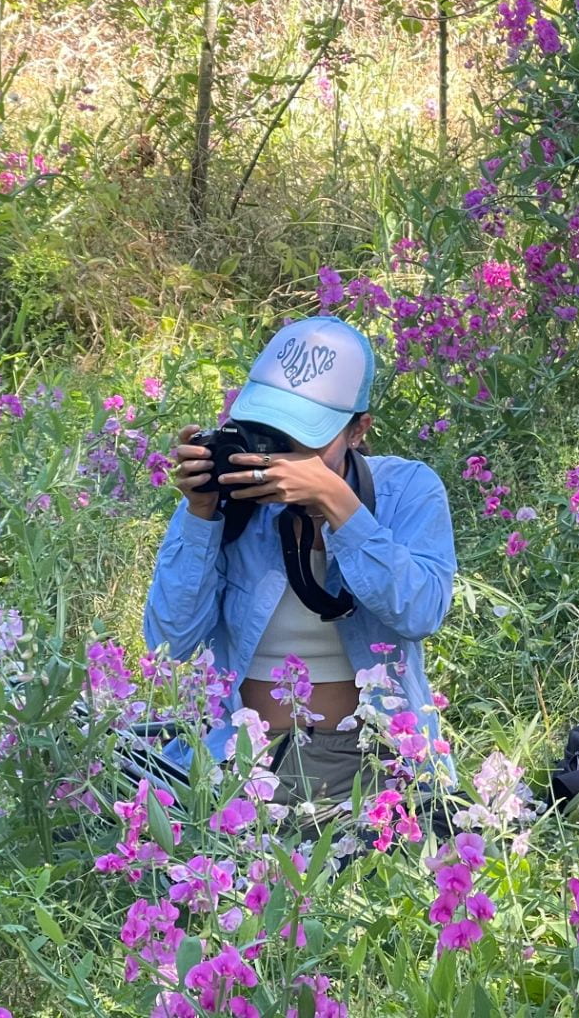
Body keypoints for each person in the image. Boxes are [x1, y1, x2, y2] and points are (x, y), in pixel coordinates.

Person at [144, 316, 458, 805]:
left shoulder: (406, 491)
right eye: (267, 429)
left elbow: (422, 612)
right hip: (239, 756)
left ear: (358, 431)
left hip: (370, 762)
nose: (280, 452)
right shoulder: (233, 497)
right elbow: (170, 641)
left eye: (303, 436)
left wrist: (342, 509)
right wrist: (200, 513)